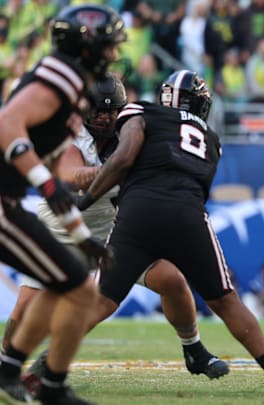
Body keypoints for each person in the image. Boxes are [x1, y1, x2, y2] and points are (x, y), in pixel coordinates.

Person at [75, 69, 264, 397]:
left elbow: (124, 158)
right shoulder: (212, 140)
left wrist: (85, 199)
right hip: (185, 213)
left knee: (105, 299)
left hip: (135, 212)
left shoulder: (141, 111)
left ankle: (48, 362)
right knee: (225, 299)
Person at [12, 75, 229, 396]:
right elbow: (72, 176)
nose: (104, 117)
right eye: (98, 110)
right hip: (64, 231)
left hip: (117, 232)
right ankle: (8, 370)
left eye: (111, 111)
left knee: (172, 281)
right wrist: (118, 166)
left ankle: (193, 349)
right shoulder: (70, 136)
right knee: (23, 311)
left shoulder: (135, 129)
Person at [0, 5, 123, 404]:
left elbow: (54, 178)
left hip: (12, 201)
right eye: (109, 46)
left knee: (72, 283)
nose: (114, 55)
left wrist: (82, 234)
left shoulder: (76, 90)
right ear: (89, 46)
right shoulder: (62, 76)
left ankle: (17, 370)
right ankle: (46, 384)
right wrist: (44, 182)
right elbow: (6, 125)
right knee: (76, 288)